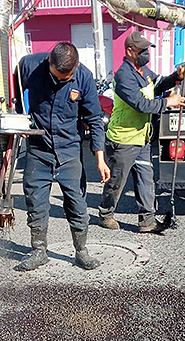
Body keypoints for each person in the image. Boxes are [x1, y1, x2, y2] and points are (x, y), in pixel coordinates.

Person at [15, 42, 111, 272]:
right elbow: (15, 94)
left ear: (75, 68)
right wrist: (19, 119)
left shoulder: (84, 77)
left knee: (77, 204)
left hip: (69, 150)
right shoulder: (28, 66)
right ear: (49, 62)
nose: (61, 81)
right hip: (38, 149)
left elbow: (94, 119)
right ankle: (39, 251)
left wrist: (100, 159)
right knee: (36, 204)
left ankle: (81, 251)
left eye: (66, 78)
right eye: (57, 77)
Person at [98, 31, 185, 233]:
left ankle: (147, 221)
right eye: (142, 50)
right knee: (117, 180)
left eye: (147, 50)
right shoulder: (124, 75)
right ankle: (105, 214)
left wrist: (176, 77)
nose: (146, 54)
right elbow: (141, 105)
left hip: (142, 137)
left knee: (146, 178)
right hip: (123, 139)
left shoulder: (143, 71)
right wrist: (168, 102)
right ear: (130, 51)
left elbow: (158, 85)